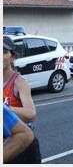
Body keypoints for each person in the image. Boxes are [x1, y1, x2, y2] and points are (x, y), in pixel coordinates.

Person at [3, 35, 41, 164]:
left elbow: (31, 114)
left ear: (12, 56)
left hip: (22, 143)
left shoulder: (19, 82)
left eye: (3, 52)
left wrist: (6, 108)